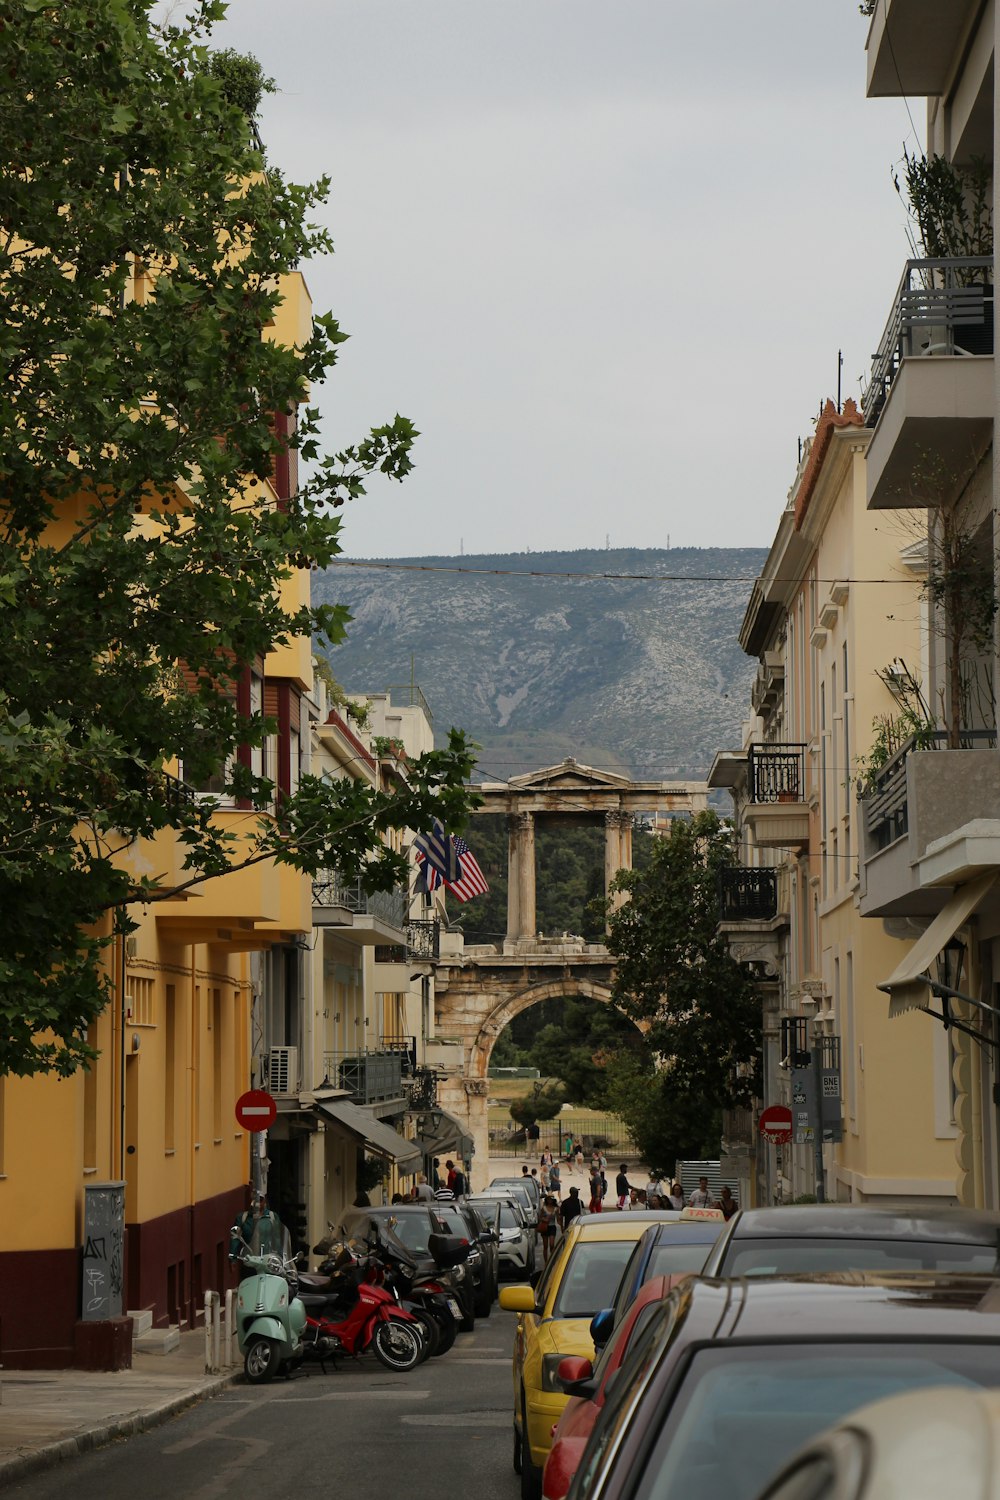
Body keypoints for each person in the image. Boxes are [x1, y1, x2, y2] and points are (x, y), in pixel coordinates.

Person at [538, 1194, 559, 1263]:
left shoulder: (556, 1208)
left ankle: (552, 1260)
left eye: (551, 1199)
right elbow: (540, 1217)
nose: (550, 1201)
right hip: (545, 1227)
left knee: (552, 1244)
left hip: (552, 1227)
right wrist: (544, 1219)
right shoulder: (544, 1208)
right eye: (548, 1199)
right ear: (547, 1200)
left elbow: (558, 1218)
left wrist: (562, 1225)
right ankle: (546, 1262)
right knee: (545, 1246)